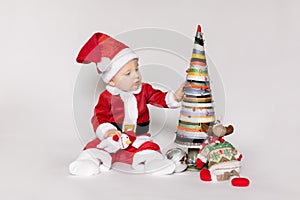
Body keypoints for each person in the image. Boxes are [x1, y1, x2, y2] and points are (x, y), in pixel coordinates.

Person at [69, 32, 184, 176]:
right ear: (112, 80)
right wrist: (108, 132)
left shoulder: (144, 90)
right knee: (96, 146)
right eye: (128, 73)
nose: (136, 75)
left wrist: (175, 96)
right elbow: (99, 118)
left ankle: (153, 162)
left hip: (138, 137)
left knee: (150, 147)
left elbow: (159, 98)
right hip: (114, 138)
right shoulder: (107, 97)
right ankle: (88, 162)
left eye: (137, 69)